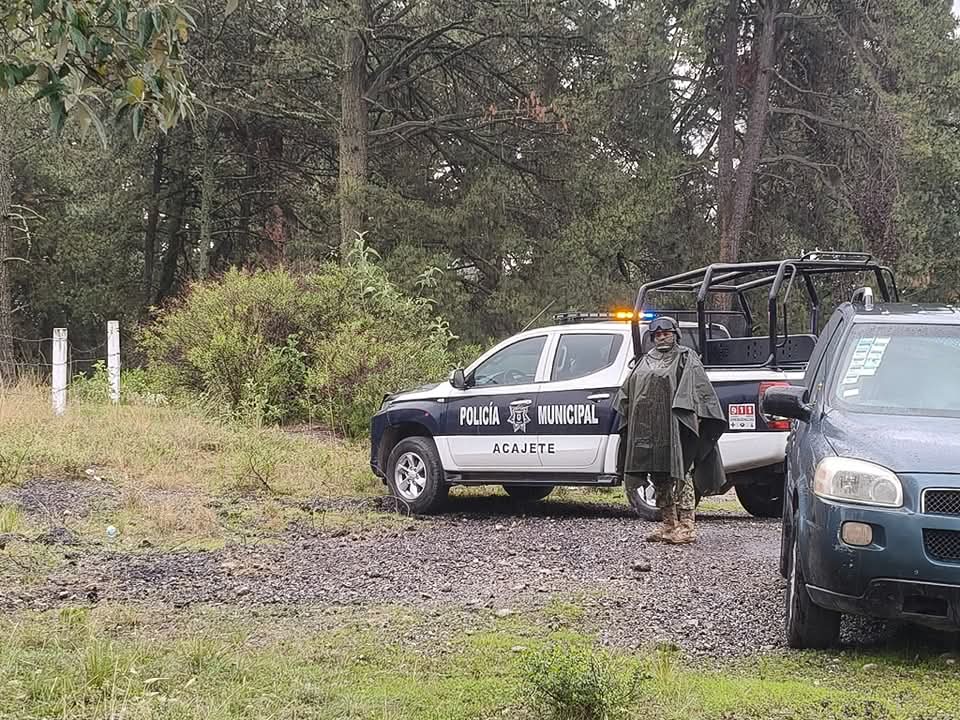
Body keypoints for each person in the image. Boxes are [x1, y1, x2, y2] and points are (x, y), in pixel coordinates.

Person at [616, 316, 727, 544]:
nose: (662, 337)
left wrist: (693, 417)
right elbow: (628, 392)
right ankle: (668, 524)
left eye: (666, 333)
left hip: (678, 428)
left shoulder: (686, 357)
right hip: (648, 429)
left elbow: (698, 390)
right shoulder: (645, 360)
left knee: (681, 474)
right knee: (659, 475)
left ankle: (687, 527)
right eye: (657, 334)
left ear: (675, 334)